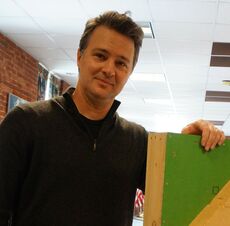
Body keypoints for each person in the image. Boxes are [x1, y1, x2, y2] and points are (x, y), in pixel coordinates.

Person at [0, 11, 225, 226]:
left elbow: (175, 192)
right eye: (100, 56)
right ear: (80, 57)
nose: (109, 70)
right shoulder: (26, 123)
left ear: (129, 72)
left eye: (121, 63)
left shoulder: (137, 140)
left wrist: (188, 149)